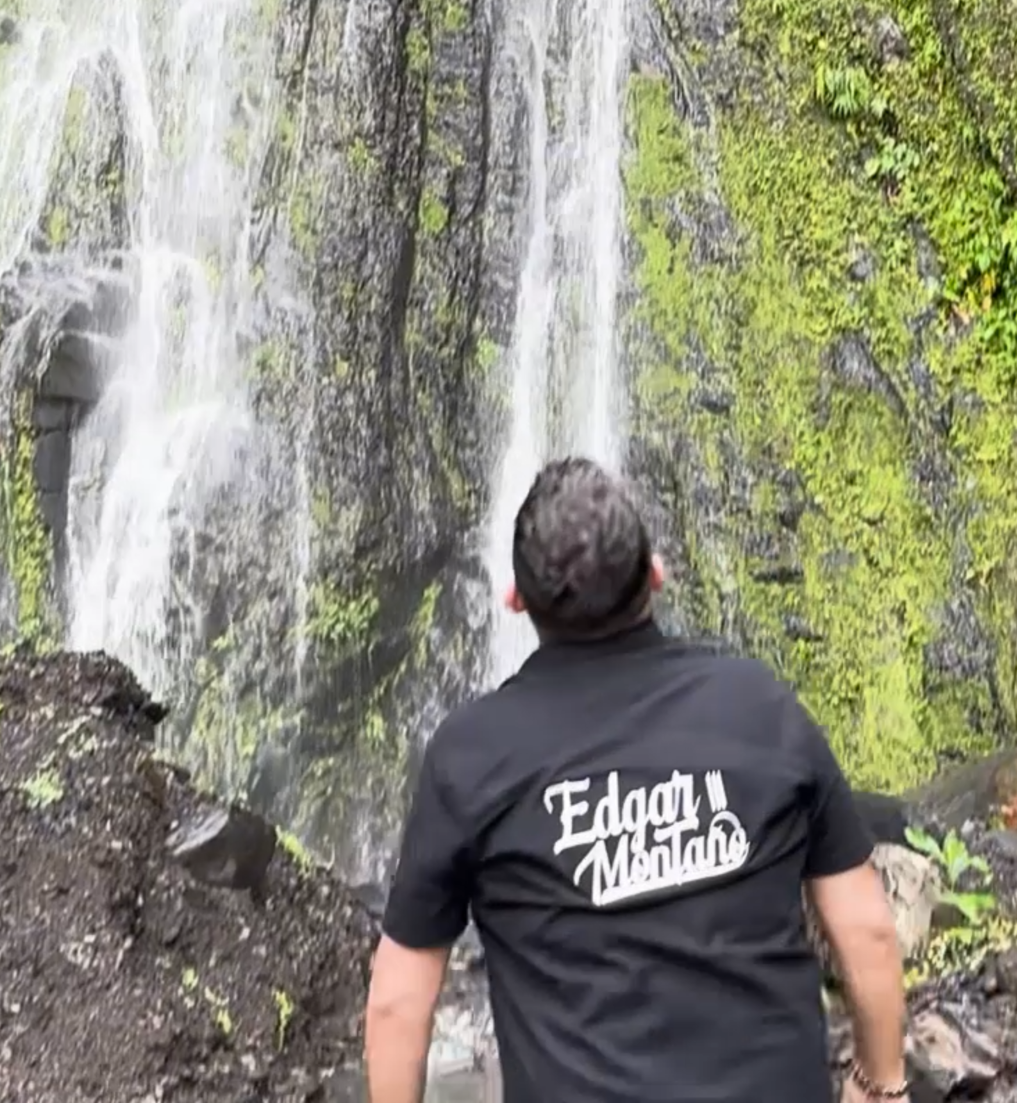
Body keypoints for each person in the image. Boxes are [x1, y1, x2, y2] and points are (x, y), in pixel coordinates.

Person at [365, 457, 907, 1103]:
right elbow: (867, 928)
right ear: (656, 575)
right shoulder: (761, 706)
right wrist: (882, 1084)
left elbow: (398, 1004)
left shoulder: (469, 757)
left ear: (515, 598)